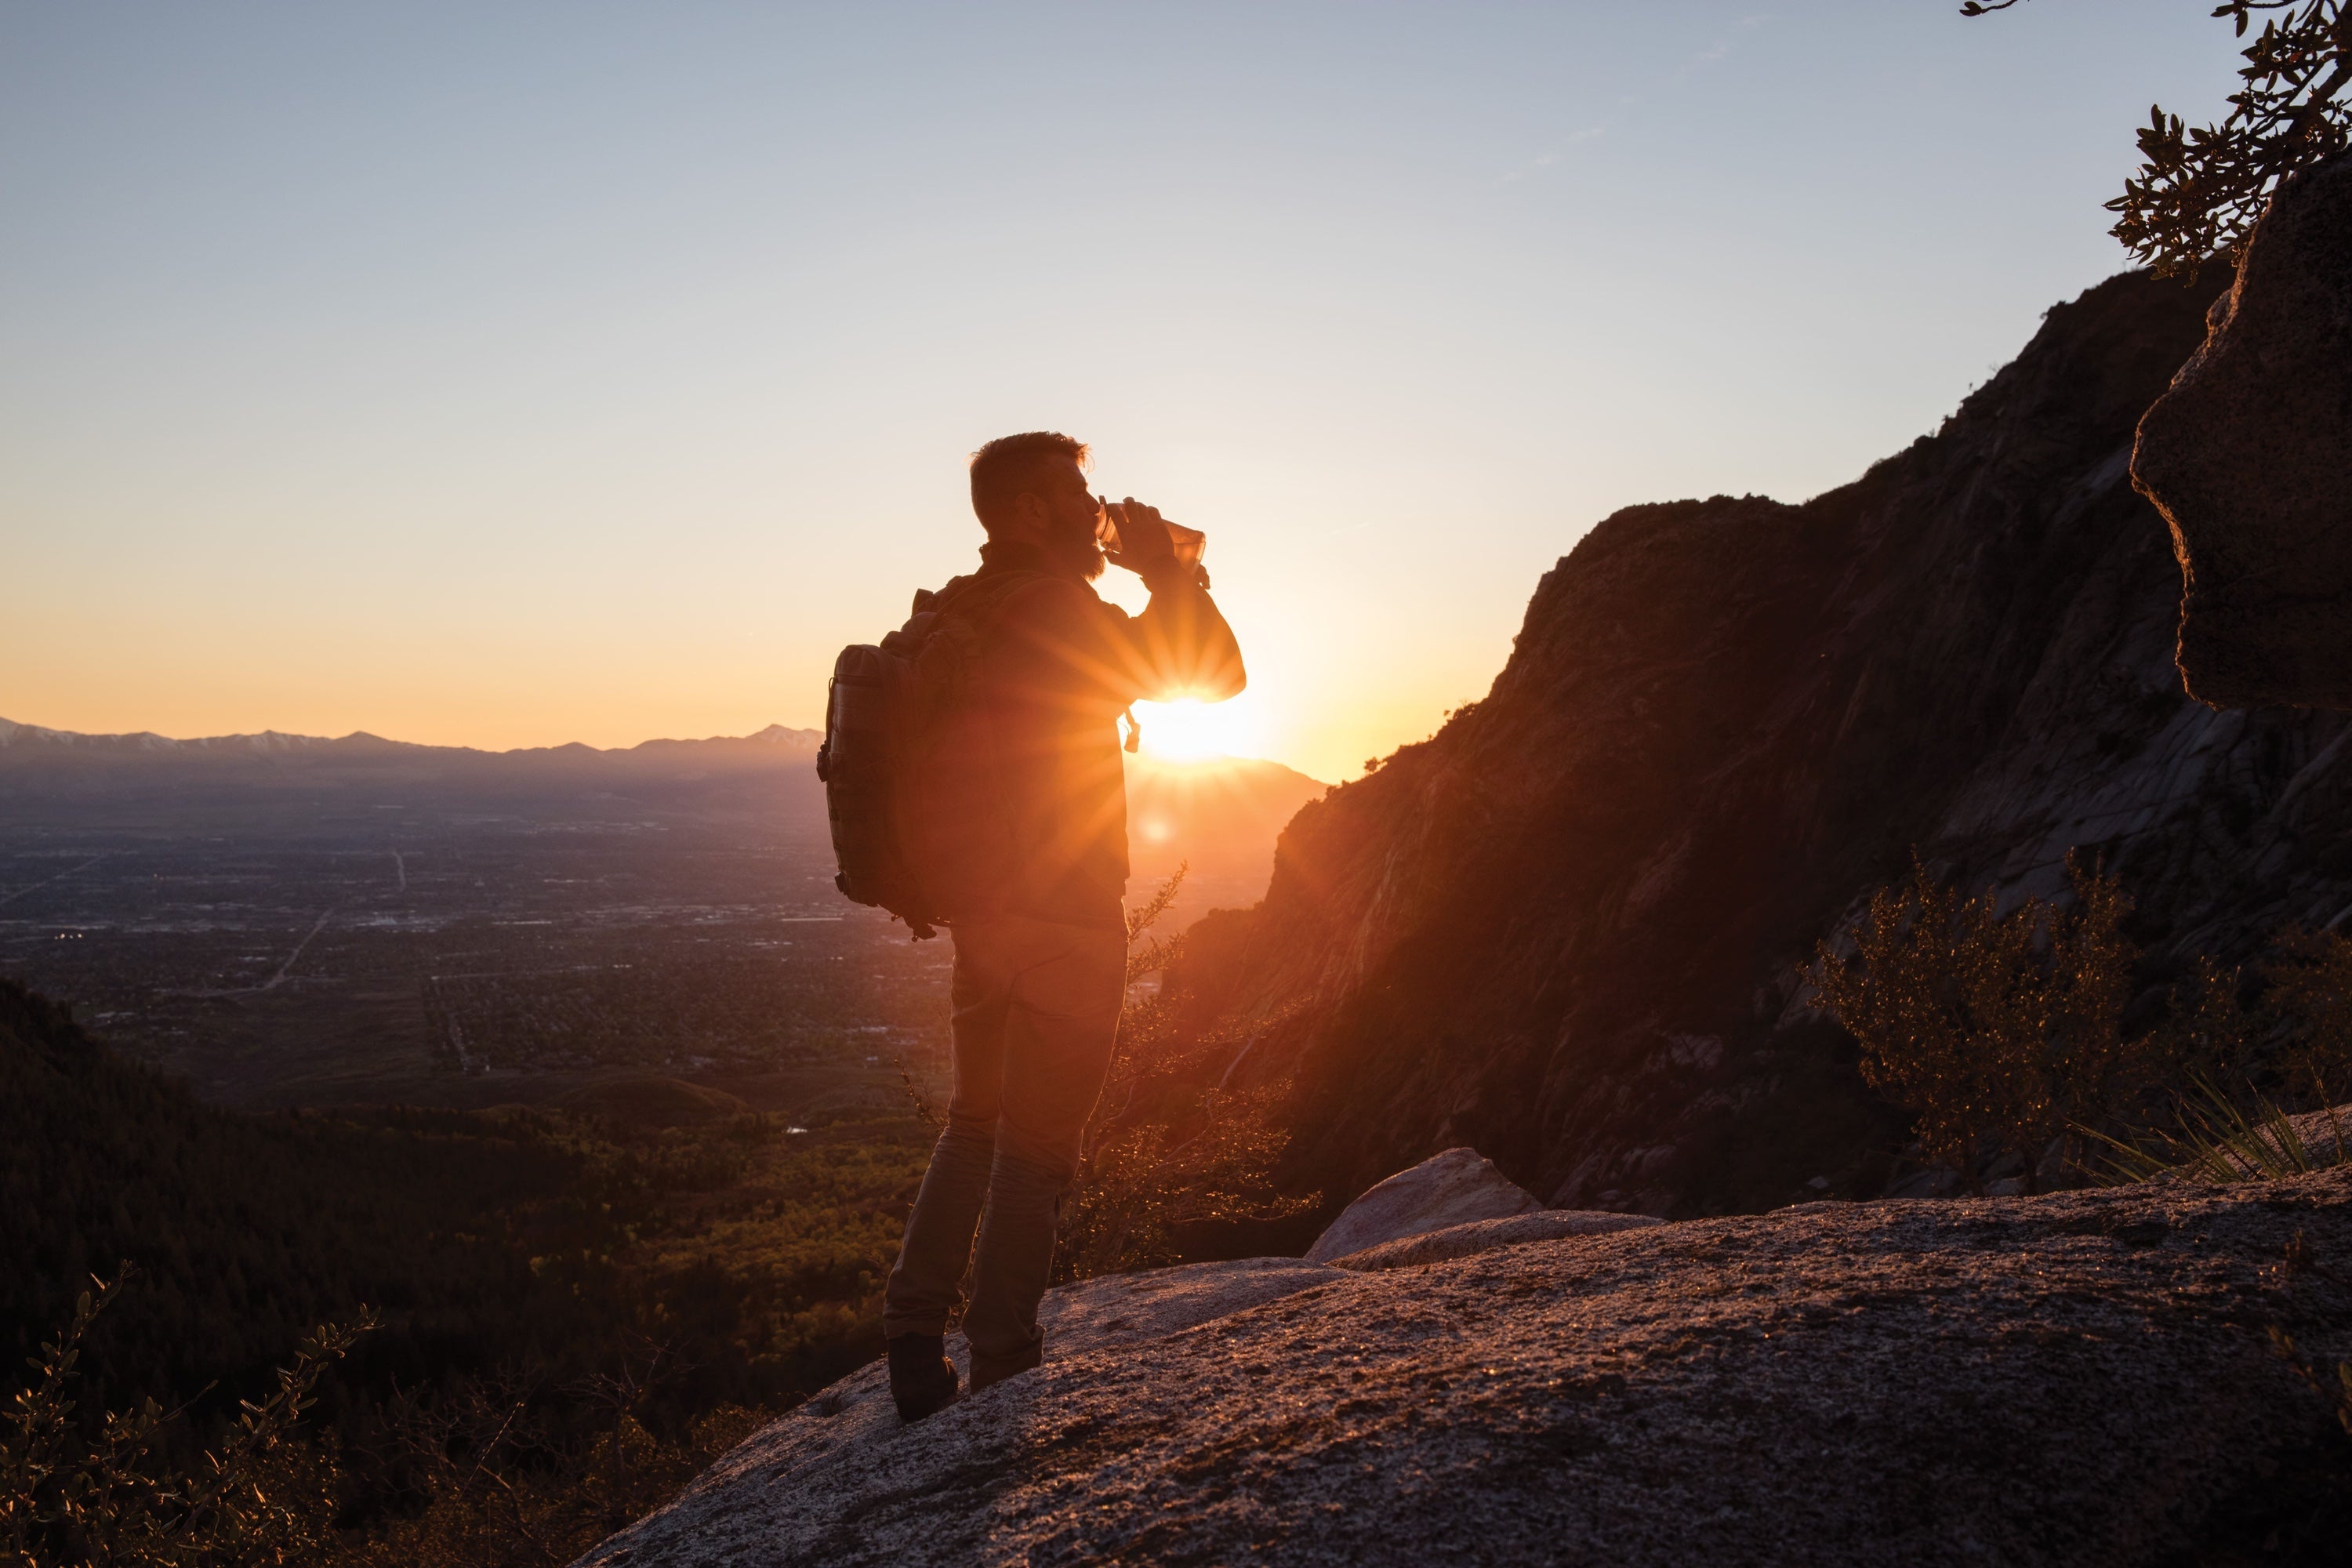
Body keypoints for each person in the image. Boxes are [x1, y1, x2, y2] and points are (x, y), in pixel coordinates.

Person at [880, 430, 1246, 1420]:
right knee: (1038, 1147)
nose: (1097, 510)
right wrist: (1168, 572)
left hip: (982, 913)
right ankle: (1003, 1359)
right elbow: (1216, 673)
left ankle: (912, 1330)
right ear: (1031, 509)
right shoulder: (1055, 607)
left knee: (974, 1123)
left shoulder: (964, 603)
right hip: (1067, 916)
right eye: (1079, 493)